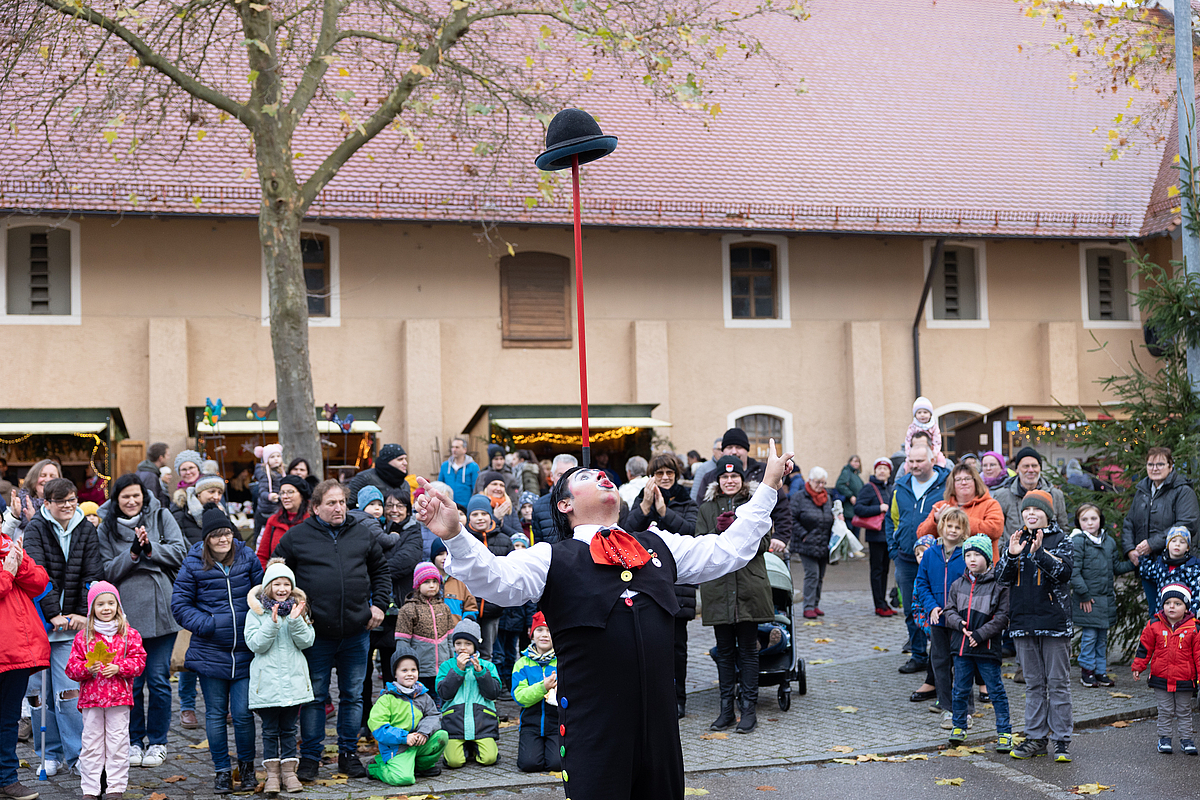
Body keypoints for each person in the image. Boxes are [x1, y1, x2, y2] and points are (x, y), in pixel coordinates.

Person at [420, 439, 793, 800]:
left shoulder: (659, 544)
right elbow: (495, 580)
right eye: (586, 476)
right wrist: (456, 535)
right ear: (564, 503)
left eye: (602, 473)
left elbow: (729, 549)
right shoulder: (550, 557)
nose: (601, 476)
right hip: (595, 735)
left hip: (661, 736)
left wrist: (768, 487)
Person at [272, 480, 390, 782]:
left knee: (352, 695)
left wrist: (379, 605)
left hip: (356, 631)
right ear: (316, 507)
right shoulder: (297, 537)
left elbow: (380, 570)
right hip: (316, 634)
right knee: (315, 697)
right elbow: (277, 573)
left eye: (342, 502)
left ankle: (348, 754)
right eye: (331, 503)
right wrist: (294, 610)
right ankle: (311, 757)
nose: (338, 508)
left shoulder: (362, 533)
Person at [95, 474, 186, 770]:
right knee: (130, 682)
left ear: (144, 496)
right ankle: (133, 740)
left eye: (137, 496)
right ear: (116, 500)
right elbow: (106, 570)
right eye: (125, 497)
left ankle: (158, 742)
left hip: (161, 608)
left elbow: (180, 552)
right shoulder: (105, 527)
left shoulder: (160, 515)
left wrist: (150, 549)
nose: (132, 501)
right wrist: (133, 552)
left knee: (158, 679)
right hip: (123, 611)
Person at [171, 504, 263, 794]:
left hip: (246, 651)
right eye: (216, 535)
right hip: (210, 650)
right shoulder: (193, 563)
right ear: (207, 539)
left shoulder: (247, 557)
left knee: (243, 713)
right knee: (214, 714)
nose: (223, 539)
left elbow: (262, 592)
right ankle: (222, 770)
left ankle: (247, 768)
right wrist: (208, 624)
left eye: (227, 533)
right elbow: (180, 605)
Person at [698, 456, 787, 734]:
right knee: (724, 652)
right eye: (724, 478)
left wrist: (736, 528)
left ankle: (748, 709)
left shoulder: (754, 504)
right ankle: (726, 710)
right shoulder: (706, 508)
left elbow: (763, 541)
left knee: (748, 650)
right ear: (718, 481)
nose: (729, 481)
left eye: (734, 476)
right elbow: (700, 543)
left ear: (741, 478)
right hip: (719, 588)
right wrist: (718, 530)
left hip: (749, 587)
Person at [21, 478, 104, 777]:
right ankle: (49, 753)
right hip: (40, 624)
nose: (68, 505)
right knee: (40, 696)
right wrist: (54, 613)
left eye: (72, 500)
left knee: (68, 694)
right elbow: (38, 575)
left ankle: (78, 755)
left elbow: (92, 573)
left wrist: (81, 613)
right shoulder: (36, 528)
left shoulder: (86, 528)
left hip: (73, 624)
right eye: (61, 501)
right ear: (47, 503)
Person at [1001, 490, 1075, 762]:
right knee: (1033, 685)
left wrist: (1040, 554)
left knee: (1058, 684)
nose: (1031, 514)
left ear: (1047, 514)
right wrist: (1010, 555)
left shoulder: (1062, 540)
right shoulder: (1015, 539)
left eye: (1037, 510)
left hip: (1053, 622)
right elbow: (1001, 579)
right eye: (1026, 511)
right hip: (1022, 622)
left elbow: (1064, 572)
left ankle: (1062, 741)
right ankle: (1035, 739)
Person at [624, 453, 698, 717]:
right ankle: (652, 698)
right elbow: (625, 532)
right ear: (651, 477)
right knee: (648, 646)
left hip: (677, 587)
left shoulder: (688, 502)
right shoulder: (641, 500)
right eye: (659, 474)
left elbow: (692, 532)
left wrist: (664, 512)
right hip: (646, 585)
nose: (665, 478)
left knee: (677, 649)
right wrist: (645, 509)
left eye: (670, 473)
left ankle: (678, 700)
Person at [64, 581, 147, 800]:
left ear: (118, 606)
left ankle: (115, 788)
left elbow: (139, 662)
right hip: (91, 700)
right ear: (92, 608)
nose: (106, 608)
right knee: (91, 745)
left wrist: (120, 668)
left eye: (111, 603)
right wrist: (86, 669)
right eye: (100, 604)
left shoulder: (129, 635)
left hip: (119, 699)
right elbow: (71, 668)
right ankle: (90, 789)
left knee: (118, 744)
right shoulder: (84, 637)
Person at [244, 559, 315, 794]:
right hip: (268, 684)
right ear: (268, 587)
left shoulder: (298, 610)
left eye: (286, 584)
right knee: (269, 730)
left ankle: (289, 773)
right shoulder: (256, 613)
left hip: (293, 683)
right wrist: (272, 625)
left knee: (289, 730)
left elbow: (307, 641)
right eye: (277, 584)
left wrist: (295, 621)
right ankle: (272, 774)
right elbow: (256, 645)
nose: (282, 589)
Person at [942, 535, 1012, 752]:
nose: (972, 559)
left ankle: (1005, 731)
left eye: (977, 555)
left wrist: (980, 634)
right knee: (960, 689)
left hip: (987, 648)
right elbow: (948, 611)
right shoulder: (957, 584)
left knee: (995, 691)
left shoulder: (999, 585)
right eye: (968, 555)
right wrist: (958, 623)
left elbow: (1002, 617)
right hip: (961, 648)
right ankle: (959, 726)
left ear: (988, 558)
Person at [886, 443, 950, 678]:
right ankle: (918, 654)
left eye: (918, 461)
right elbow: (891, 519)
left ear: (932, 461)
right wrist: (894, 548)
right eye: (910, 461)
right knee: (911, 608)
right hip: (905, 557)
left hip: (935, 558)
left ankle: (940, 654)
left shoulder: (945, 486)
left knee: (936, 605)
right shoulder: (900, 486)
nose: (913, 465)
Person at [1, 528, 51, 800]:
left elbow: (40, 584)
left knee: (8, 720)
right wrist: (8, 572)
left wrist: (18, 565)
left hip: (16, 653)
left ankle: (7, 780)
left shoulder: (10, 549)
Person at [1122, 446, 1200, 612]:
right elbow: (1129, 522)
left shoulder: (1183, 491)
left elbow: (1187, 524)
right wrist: (1130, 549)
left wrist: (1152, 543)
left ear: (1170, 466)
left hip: (1176, 566)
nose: (1154, 468)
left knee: (1177, 615)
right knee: (1155, 614)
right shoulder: (1142, 491)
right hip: (1150, 566)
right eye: (1150, 464)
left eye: (1160, 464)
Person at [913, 507, 970, 729]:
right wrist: (932, 607)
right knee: (941, 662)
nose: (953, 530)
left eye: (958, 527)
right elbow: (922, 584)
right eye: (949, 526)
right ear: (942, 527)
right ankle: (947, 708)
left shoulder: (967, 553)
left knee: (963, 663)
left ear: (964, 530)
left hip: (960, 620)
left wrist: (958, 610)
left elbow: (972, 583)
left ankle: (964, 709)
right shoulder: (930, 554)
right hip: (937, 619)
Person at [1070, 503, 1136, 689]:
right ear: (1078, 522)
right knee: (1089, 637)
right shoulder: (1078, 541)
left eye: (1093, 518)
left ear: (1100, 520)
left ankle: (1100, 671)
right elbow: (1074, 572)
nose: (1089, 523)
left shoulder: (1108, 542)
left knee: (1101, 638)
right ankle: (1087, 671)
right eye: (1084, 519)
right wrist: (1083, 595)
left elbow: (1116, 567)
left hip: (1105, 600)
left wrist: (1133, 563)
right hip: (1088, 600)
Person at [1132, 583, 1200, 755]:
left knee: (1184, 710)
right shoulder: (1154, 625)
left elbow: (1199, 654)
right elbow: (1145, 648)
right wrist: (1139, 666)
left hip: (1185, 678)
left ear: (1186, 608)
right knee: (1165, 710)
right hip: (1161, 678)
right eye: (1168, 602)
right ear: (1162, 605)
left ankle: (1186, 740)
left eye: (1178, 603)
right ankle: (1165, 738)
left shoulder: (1194, 628)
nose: (1172, 606)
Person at [693, 429, 795, 544]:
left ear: (747, 450)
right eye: (729, 447)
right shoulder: (711, 476)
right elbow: (701, 511)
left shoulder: (763, 472)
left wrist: (780, 537)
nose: (734, 451)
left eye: (739, 447)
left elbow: (781, 507)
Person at [365, 645, 447, 785]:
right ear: (395, 674)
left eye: (413, 670)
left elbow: (434, 716)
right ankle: (376, 767)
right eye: (404, 670)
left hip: (418, 741)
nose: (409, 674)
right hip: (397, 748)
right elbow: (378, 728)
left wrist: (423, 732)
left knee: (442, 736)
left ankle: (420, 767)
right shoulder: (387, 699)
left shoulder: (422, 695)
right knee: (404, 779)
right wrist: (404, 737)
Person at [435, 618, 501, 769]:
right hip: (454, 723)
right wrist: (458, 670)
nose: (462, 648)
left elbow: (493, 693)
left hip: (482, 723)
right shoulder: (446, 666)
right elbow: (444, 693)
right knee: (454, 762)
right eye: (458, 643)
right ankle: (465, 748)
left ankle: (475, 746)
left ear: (475, 645)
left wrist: (481, 673)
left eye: (468, 644)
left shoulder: (488, 666)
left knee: (489, 759)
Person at [915, 462, 1005, 563]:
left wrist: (958, 520)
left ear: (976, 481)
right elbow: (922, 535)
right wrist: (935, 521)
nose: (963, 482)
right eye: (958, 479)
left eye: (967, 479)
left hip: (982, 569)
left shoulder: (990, 504)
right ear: (952, 484)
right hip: (946, 568)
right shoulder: (941, 506)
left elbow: (995, 530)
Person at [394, 562, 458, 693]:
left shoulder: (444, 608)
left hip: (443, 668)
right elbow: (403, 641)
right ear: (418, 585)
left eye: (435, 581)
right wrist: (405, 666)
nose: (432, 585)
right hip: (420, 669)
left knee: (441, 698)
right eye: (426, 582)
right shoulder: (408, 609)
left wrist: (453, 662)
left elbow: (450, 638)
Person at [463, 495, 513, 659]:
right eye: (475, 514)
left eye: (483, 514)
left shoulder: (504, 540)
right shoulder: (463, 539)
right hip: (468, 607)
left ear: (490, 515)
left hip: (494, 607)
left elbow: (511, 571)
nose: (480, 518)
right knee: (464, 650)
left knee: (487, 652)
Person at [512, 612, 559, 772]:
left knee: (556, 764)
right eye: (539, 630)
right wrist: (543, 687)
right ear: (531, 634)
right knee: (529, 765)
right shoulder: (521, 663)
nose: (545, 635)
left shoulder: (562, 660)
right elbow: (520, 697)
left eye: (549, 630)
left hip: (557, 724)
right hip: (530, 724)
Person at [992, 447, 1069, 535]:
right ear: (1017, 469)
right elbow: (997, 530)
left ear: (1040, 468)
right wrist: (1006, 548)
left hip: (1047, 548)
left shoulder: (1055, 494)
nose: (1031, 470)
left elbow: (1063, 528)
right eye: (1026, 466)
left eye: (1034, 466)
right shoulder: (1002, 495)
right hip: (1013, 547)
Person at [790, 466, 834, 619]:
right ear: (809, 481)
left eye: (823, 483)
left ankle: (815, 604)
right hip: (806, 543)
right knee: (812, 574)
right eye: (817, 482)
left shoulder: (826, 498)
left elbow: (829, 517)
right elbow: (791, 519)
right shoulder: (799, 497)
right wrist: (804, 534)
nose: (821, 486)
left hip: (823, 542)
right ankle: (808, 606)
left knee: (820, 575)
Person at [854, 458, 896, 617]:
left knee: (885, 570)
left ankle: (883, 602)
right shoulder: (868, 488)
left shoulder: (891, 488)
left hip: (888, 536)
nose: (882, 471)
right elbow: (858, 508)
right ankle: (878, 604)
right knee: (877, 570)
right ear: (875, 471)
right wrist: (878, 508)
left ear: (889, 472)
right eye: (879, 468)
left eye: (885, 469)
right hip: (876, 536)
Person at [1137, 526, 1200, 618]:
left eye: (1182, 542)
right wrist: (1144, 554)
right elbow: (1145, 572)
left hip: (1183, 618)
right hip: (1162, 615)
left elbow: (1196, 595)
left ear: (1187, 548)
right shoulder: (1160, 565)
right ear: (1167, 545)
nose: (1177, 544)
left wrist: (1191, 616)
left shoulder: (1192, 568)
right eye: (1173, 541)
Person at [256, 475, 310, 569]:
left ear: (302, 495)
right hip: (279, 580)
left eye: (290, 492)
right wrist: (268, 577)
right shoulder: (273, 521)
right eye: (282, 493)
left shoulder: (312, 521)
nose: (285, 497)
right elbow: (262, 556)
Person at [3, 459, 61, 539]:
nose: (47, 480)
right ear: (33, 478)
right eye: (43, 475)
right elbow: (2, 540)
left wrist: (35, 522)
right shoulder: (19, 504)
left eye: (52, 476)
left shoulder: (65, 508)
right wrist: (14, 516)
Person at [530, 455, 577, 545]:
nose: (564, 479)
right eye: (560, 475)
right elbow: (540, 544)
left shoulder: (585, 503)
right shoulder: (539, 506)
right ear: (552, 476)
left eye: (569, 475)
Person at [172, 472, 228, 547]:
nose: (216, 497)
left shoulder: (221, 511)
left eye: (220, 493)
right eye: (211, 491)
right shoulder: (181, 511)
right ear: (199, 493)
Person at [348, 444, 411, 508]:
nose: (405, 463)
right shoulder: (364, 478)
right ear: (387, 461)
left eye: (405, 459)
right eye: (400, 459)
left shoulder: (404, 484)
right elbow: (349, 504)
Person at [429, 539, 476, 620]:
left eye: (448, 554)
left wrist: (465, 624)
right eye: (440, 554)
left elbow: (470, 608)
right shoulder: (426, 579)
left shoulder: (462, 580)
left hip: (456, 629)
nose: (444, 558)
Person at [253, 445, 286, 536]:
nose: (276, 459)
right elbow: (262, 491)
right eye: (272, 457)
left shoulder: (282, 472)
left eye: (278, 456)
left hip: (278, 507)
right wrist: (269, 496)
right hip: (267, 509)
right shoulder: (264, 473)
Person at [438, 437, 478, 508]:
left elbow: (476, 488)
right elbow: (440, 485)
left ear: (464, 450)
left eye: (457, 447)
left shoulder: (473, 466)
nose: (454, 450)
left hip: (465, 506)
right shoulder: (445, 466)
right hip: (448, 505)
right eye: (452, 447)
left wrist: (472, 505)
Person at [904, 397, 946, 466]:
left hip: (931, 450)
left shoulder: (934, 426)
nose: (922, 415)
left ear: (930, 415)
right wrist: (909, 453)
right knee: (907, 464)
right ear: (915, 415)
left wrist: (935, 452)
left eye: (925, 412)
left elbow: (937, 440)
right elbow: (908, 441)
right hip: (915, 452)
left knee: (941, 459)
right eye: (919, 412)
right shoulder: (912, 427)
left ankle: (940, 470)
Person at [835, 455, 864, 542]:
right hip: (849, 507)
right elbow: (840, 485)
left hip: (856, 507)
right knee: (850, 529)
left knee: (856, 528)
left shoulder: (856, 475)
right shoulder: (846, 472)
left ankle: (855, 549)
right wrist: (850, 495)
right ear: (850, 462)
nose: (856, 463)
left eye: (858, 462)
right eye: (854, 461)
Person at [690, 438, 724, 503]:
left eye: (723, 449)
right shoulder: (704, 468)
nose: (722, 452)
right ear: (713, 450)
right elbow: (694, 493)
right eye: (719, 449)